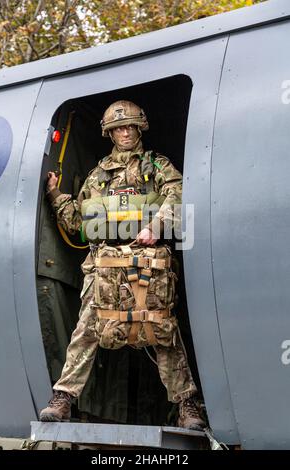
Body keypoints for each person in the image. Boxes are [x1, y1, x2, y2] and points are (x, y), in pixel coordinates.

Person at [40, 100, 205, 430]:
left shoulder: (157, 166)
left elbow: (179, 194)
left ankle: (188, 406)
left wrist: (155, 226)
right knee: (86, 330)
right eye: (117, 128)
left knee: (162, 330)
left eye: (129, 126)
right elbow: (79, 222)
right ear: (109, 133)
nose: (124, 132)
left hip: (146, 265)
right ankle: (63, 398)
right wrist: (57, 196)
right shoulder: (97, 175)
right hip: (104, 269)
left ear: (139, 127)